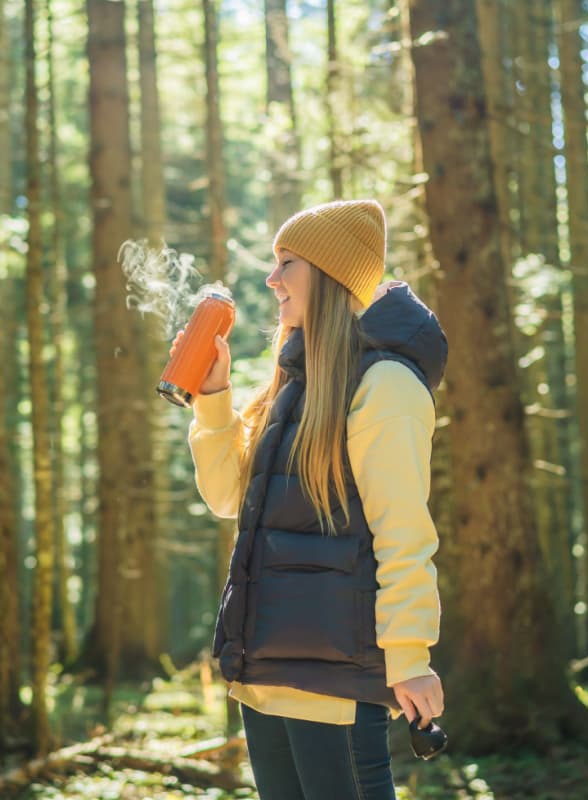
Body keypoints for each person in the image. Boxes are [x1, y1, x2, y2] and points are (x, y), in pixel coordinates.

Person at [171, 199, 447, 799]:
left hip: (337, 679)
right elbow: (227, 497)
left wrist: (409, 657)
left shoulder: (386, 385)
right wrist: (215, 396)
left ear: (326, 274)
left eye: (286, 263)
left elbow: (404, 533)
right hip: (267, 672)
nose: (271, 280)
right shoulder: (293, 384)